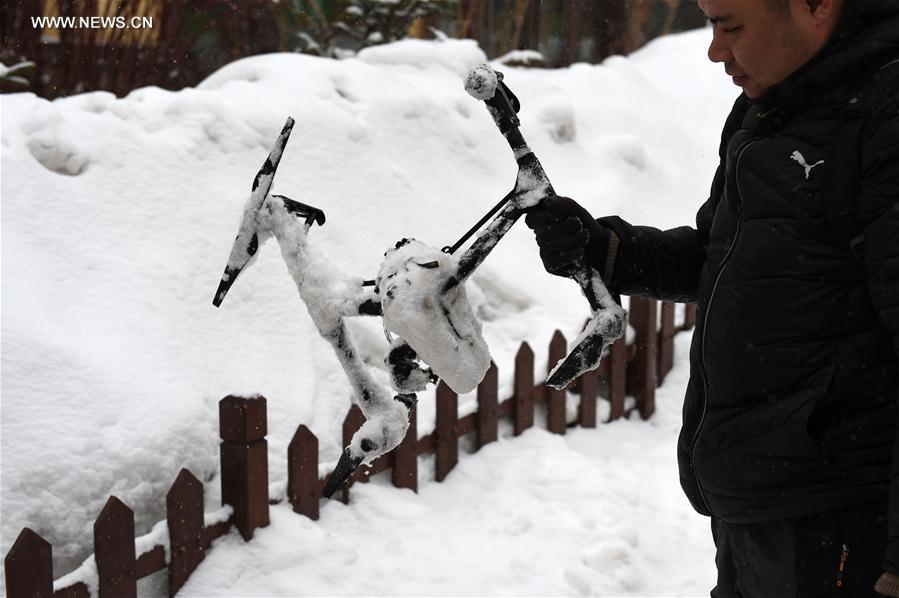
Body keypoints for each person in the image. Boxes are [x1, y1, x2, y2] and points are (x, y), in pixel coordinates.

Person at [525, 0, 899, 595]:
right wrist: (608, 250)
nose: (715, 50)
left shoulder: (882, 115)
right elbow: (729, 260)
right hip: (763, 505)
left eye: (731, 25)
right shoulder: (771, 111)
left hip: (844, 519)